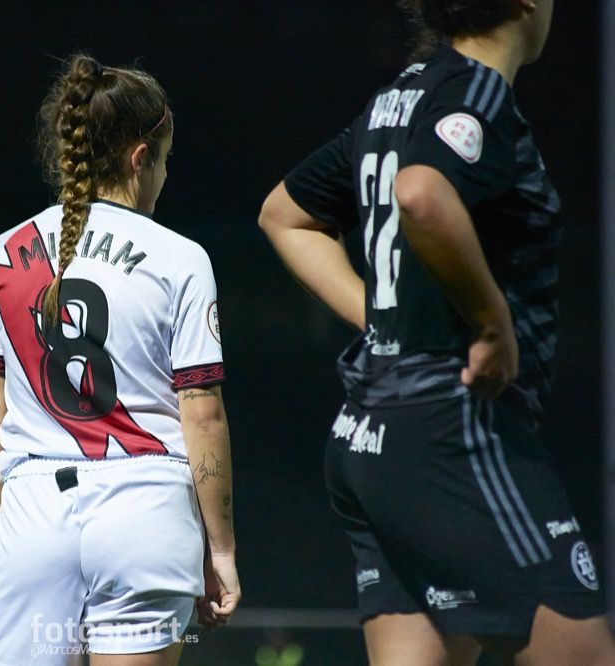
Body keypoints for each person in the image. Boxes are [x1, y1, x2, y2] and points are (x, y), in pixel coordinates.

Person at [259, 1, 615, 664]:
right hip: (451, 433)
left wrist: (378, 316)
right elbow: (422, 195)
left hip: (369, 433)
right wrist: (492, 322)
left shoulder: (396, 101)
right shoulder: (474, 93)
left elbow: (284, 213)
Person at [0, 54, 240, 665]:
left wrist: (14, 529)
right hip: (148, 511)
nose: (164, 175)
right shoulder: (182, 258)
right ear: (140, 158)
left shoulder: (3, 253)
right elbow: (203, 417)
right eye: (164, 160)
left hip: (35, 506)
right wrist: (220, 550)